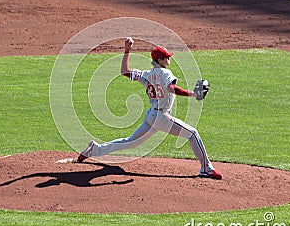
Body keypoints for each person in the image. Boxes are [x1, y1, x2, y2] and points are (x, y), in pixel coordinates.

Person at [77, 38, 222, 180]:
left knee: (130, 142)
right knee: (193, 134)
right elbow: (171, 88)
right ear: (160, 61)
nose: (168, 59)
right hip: (162, 117)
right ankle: (206, 169)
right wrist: (193, 94)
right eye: (166, 57)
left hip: (151, 116)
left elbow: (124, 71)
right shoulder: (165, 73)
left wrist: (127, 51)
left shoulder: (146, 74)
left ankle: (95, 149)